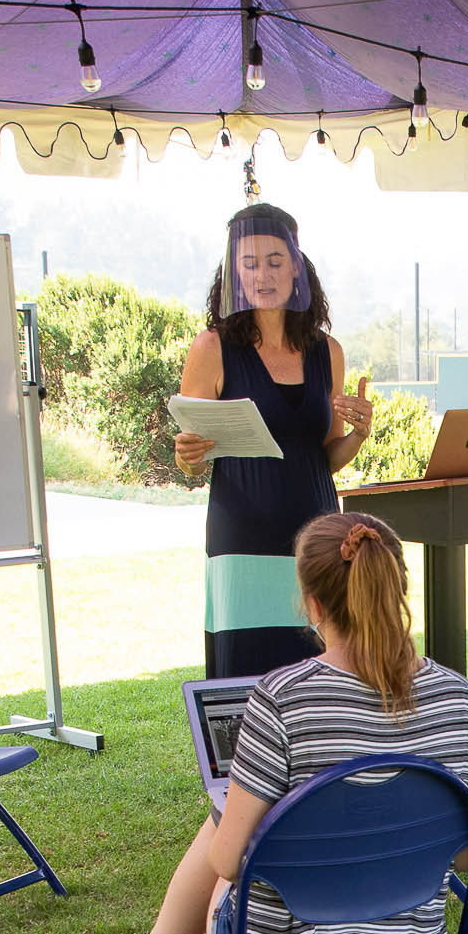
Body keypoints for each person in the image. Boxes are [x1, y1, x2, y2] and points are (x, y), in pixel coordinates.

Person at [80, 511, 468, 934]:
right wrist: (391, 849)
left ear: (310, 604)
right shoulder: (458, 697)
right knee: (267, 854)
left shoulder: (282, 699)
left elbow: (231, 861)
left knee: (233, 843)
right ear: (397, 586)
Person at [175, 204, 377, 680]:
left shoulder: (328, 352)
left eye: (274, 260)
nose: (262, 275)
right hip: (241, 543)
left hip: (320, 542)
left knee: (321, 676)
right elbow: (192, 462)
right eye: (248, 263)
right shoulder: (211, 348)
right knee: (244, 680)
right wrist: (187, 456)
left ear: (296, 267)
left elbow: (326, 458)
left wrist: (359, 435)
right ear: (233, 274)